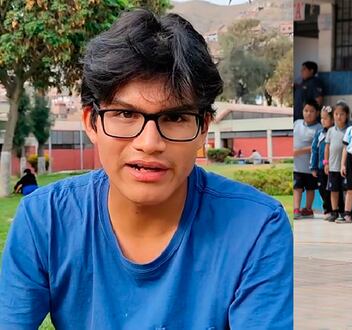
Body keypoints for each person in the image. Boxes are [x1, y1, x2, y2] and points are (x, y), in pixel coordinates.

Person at [0, 10, 293, 328]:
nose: (149, 142)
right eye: (126, 115)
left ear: (203, 128)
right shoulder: (46, 220)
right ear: (91, 122)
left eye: (176, 117)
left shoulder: (256, 228)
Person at [311, 106, 344, 220]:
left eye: (325, 118)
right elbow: (314, 150)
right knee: (323, 190)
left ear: (332, 119)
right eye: (321, 118)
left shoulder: (337, 132)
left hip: (334, 167)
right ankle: (327, 209)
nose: (323, 121)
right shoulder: (319, 133)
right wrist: (314, 166)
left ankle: (339, 210)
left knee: (335, 189)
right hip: (322, 167)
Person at [294, 99, 322, 219]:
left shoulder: (319, 128)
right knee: (297, 187)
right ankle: (296, 208)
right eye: (306, 110)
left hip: (310, 167)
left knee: (311, 188)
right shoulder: (297, 123)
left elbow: (317, 146)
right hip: (297, 166)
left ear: (317, 113)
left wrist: (300, 151)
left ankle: (308, 209)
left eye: (311, 111)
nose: (308, 113)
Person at [324, 102, 349, 222]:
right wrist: (326, 163)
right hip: (333, 166)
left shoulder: (349, 130)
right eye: (336, 114)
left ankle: (346, 211)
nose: (339, 116)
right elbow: (327, 148)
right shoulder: (330, 131)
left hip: (344, 167)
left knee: (345, 190)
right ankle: (334, 211)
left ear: (347, 115)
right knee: (333, 191)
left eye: (342, 114)